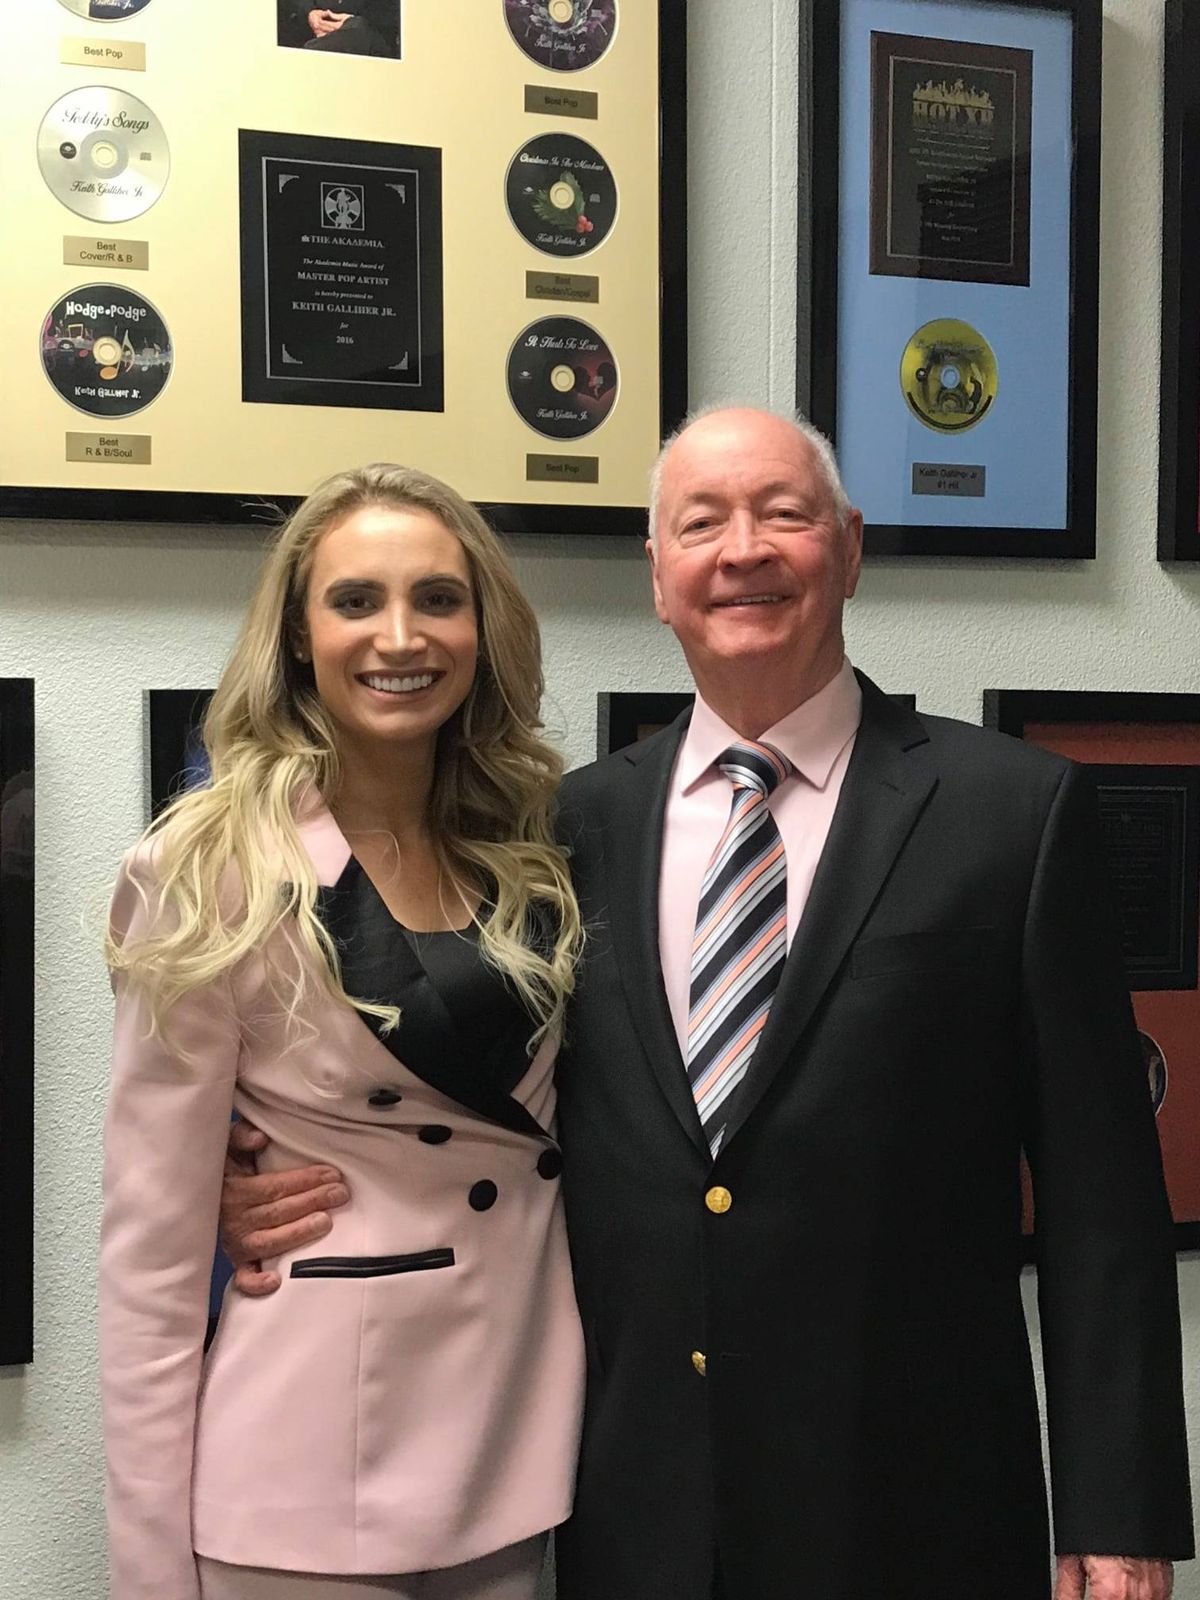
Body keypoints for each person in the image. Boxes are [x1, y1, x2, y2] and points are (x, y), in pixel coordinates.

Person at [219, 411, 1194, 1600]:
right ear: (658, 577)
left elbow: (1103, 1200)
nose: (743, 550)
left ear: (849, 547)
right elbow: (469, 1106)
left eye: (783, 514)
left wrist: (1118, 1514)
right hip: (637, 1509)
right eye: (701, 524)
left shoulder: (1014, 814)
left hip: (917, 1503)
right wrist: (250, 1171)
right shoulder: (558, 833)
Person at [100, 463, 585, 1600]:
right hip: (304, 1476)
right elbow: (151, 1262)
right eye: (356, 600)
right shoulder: (207, 867)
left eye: (439, 599)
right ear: (297, 634)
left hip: (511, 1447)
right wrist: (150, 1573)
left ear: (483, 630)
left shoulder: (532, 848)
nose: (400, 637)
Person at [277, 2, 401, 58]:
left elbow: (397, 18)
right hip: (305, 44)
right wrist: (309, 12)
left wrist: (353, 23)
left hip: (369, 52)